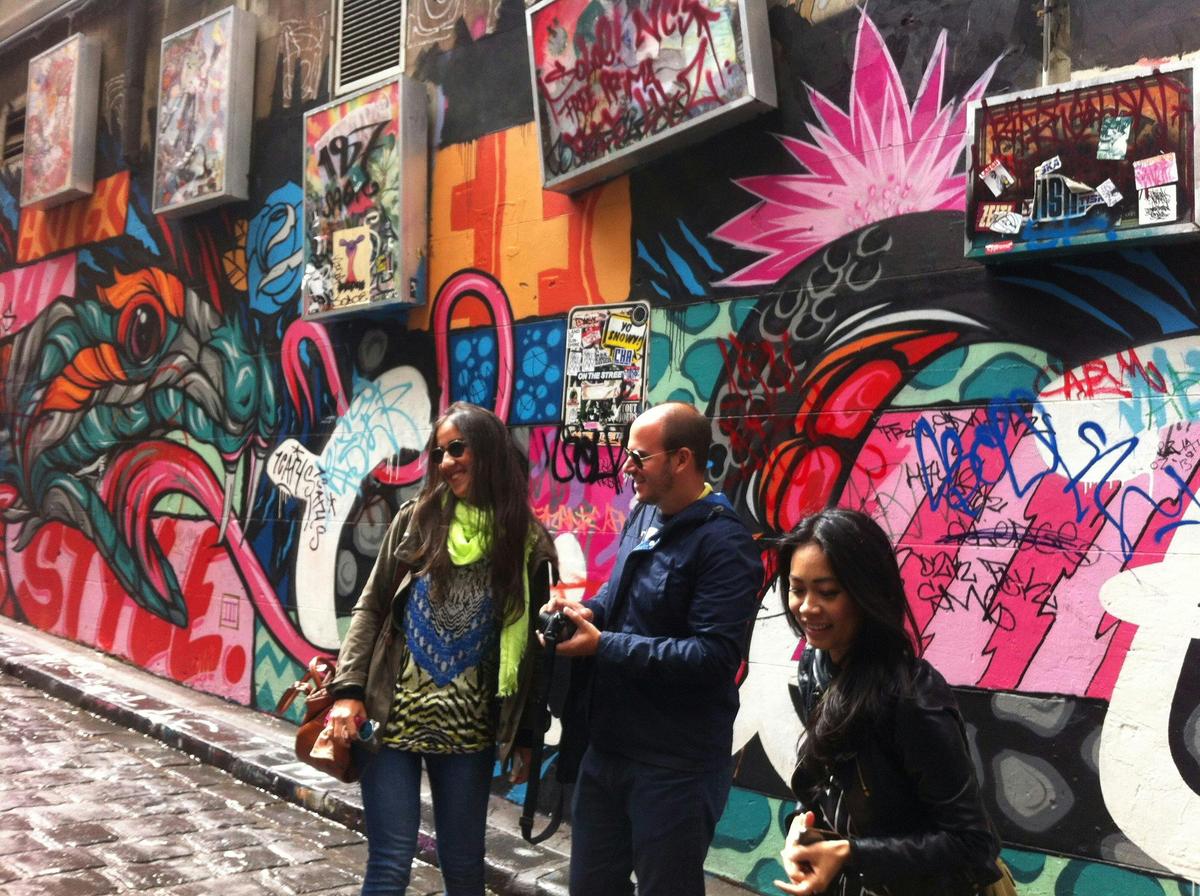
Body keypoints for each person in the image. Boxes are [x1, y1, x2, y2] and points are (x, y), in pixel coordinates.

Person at [325, 401, 557, 895]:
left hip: (468, 736)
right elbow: (370, 608)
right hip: (390, 724)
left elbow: (534, 651)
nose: (447, 462)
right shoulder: (417, 520)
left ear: (489, 452)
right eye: (439, 453)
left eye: (457, 448)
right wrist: (348, 690)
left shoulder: (527, 544)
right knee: (389, 864)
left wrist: (526, 736)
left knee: (464, 866)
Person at [542, 401, 763, 896]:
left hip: (675, 767)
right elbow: (615, 596)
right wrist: (585, 614)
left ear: (681, 459)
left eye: (639, 457)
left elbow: (712, 658)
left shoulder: (724, 544)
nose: (626, 467)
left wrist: (604, 645)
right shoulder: (643, 515)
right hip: (610, 749)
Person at [774, 508, 1005, 896]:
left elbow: (972, 845)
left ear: (867, 592)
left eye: (827, 592)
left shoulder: (912, 697)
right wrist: (802, 825)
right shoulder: (815, 665)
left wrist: (851, 853)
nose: (807, 607)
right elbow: (829, 787)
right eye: (798, 589)